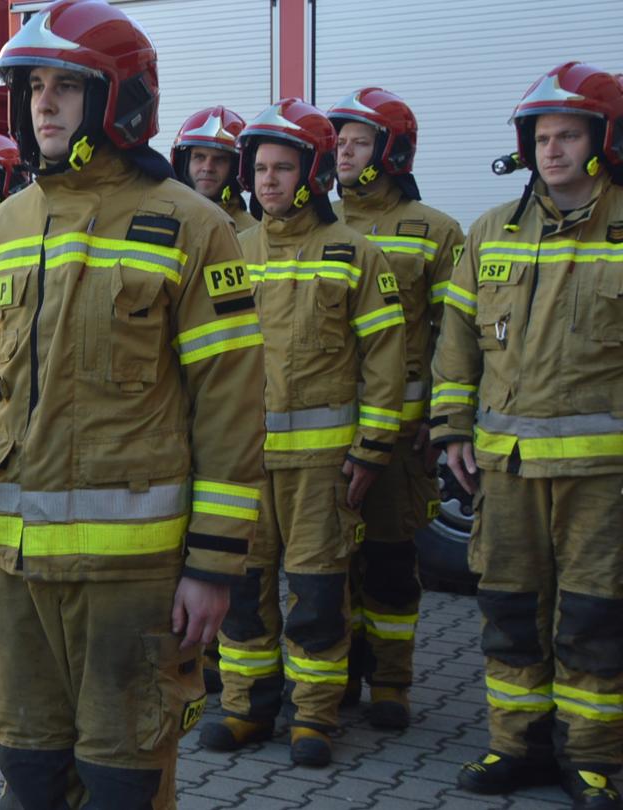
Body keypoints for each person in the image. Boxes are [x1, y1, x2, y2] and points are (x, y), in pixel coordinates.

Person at [0, 1, 265, 805]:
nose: (44, 104)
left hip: (133, 579)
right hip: (15, 575)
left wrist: (213, 565)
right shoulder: (2, 229)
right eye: (33, 88)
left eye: (66, 86)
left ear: (117, 99)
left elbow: (228, 405)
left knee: (123, 779)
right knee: (27, 772)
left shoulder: (192, 226)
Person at [432, 62, 623, 810]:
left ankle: (593, 760)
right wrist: (451, 431)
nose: (553, 150)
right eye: (542, 137)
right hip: (504, 471)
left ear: (602, 140)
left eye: (569, 134)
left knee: (593, 617)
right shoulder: (490, 232)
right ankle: (515, 746)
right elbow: (457, 344)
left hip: (602, 477)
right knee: (509, 611)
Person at [197, 98, 405, 769]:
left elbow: (384, 361)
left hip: (320, 467)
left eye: (284, 168)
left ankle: (314, 717)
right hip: (245, 464)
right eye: (260, 168)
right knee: (244, 594)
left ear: (311, 173)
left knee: (316, 595)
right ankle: (245, 707)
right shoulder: (235, 252)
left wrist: (371, 449)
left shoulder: (353, 253)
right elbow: (211, 358)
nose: (268, 181)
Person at [327, 86, 464, 731]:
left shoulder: (436, 231)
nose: (344, 151)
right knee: (333, 563)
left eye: (358, 141)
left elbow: (452, 337)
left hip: (402, 439)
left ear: (392, 151)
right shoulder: (322, 225)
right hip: (328, 435)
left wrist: (439, 423)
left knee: (388, 561)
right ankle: (342, 674)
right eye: (339, 140)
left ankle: (392, 682)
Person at [172, 106, 258, 232]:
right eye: (199, 157)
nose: (207, 168)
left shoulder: (252, 234)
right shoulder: (165, 222)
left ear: (236, 169)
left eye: (219, 160)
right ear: (183, 164)